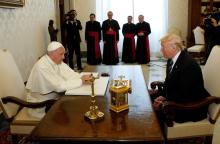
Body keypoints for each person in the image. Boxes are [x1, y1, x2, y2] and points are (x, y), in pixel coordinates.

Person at [153, 34, 209, 123]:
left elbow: (185, 95)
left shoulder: (188, 65)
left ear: (174, 48)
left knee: (152, 114)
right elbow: (170, 83)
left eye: (163, 47)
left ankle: (159, 136)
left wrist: (164, 102)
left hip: (189, 108)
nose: (161, 50)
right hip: (177, 98)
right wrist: (162, 96)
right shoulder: (172, 59)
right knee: (149, 100)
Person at [26, 41, 91, 118]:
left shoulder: (56, 61)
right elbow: (59, 87)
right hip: (43, 105)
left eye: (64, 54)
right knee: (75, 112)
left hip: (56, 98)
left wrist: (82, 76)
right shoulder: (42, 67)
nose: (63, 57)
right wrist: (81, 81)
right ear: (51, 54)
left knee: (79, 106)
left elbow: (70, 74)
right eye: (61, 54)